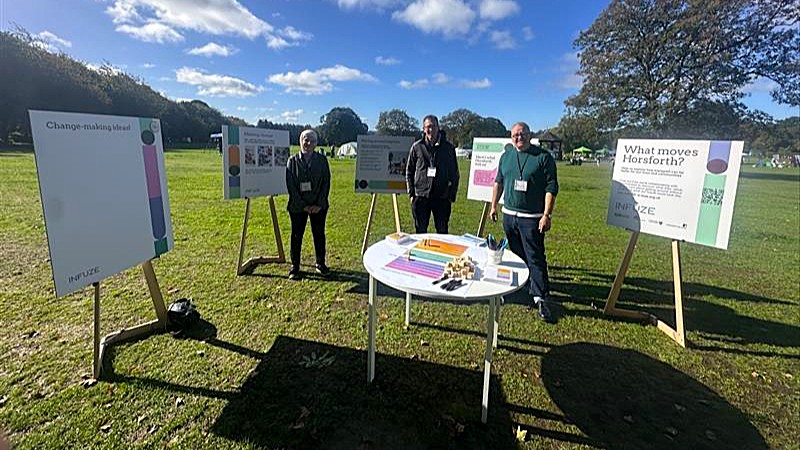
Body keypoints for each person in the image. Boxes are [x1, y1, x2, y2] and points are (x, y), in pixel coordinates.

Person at [490, 122, 559, 323]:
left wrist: (547, 215)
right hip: (509, 215)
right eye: (514, 135)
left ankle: (541, 297)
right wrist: (494, 206)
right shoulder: (506, 157)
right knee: (516, 256)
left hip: (532, 218)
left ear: (529, 135)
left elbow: (551, 188)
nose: (518, 138)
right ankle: (520, 290)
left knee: (535, 257)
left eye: (522, 134)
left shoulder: (543, 157)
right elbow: (498, 182)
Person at [285, 129, 331, 280]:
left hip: (319, 206)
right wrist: (303, 205)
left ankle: (320, 264)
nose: (308, 143)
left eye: (312, 140)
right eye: (306, 139)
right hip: (298, 207)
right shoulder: (292, 161)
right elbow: (290, 186)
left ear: (316, 143)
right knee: (296, 236)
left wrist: (319, 204)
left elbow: (326, 183)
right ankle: (295, 267)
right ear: (300, 141)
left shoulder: (322, 160)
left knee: (319, 235)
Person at [405, 115, 459, 234]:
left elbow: (455, 174)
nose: (431, 130)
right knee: (420, 232)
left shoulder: (448, 148)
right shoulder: (417, 147)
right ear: (424, 129)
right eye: (428, 127)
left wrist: (451, 195)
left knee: (442, 232)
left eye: (433, 126)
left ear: (438, 127)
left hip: (442, 198)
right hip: (421, 197)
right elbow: (409, 171)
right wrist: (411, 194)